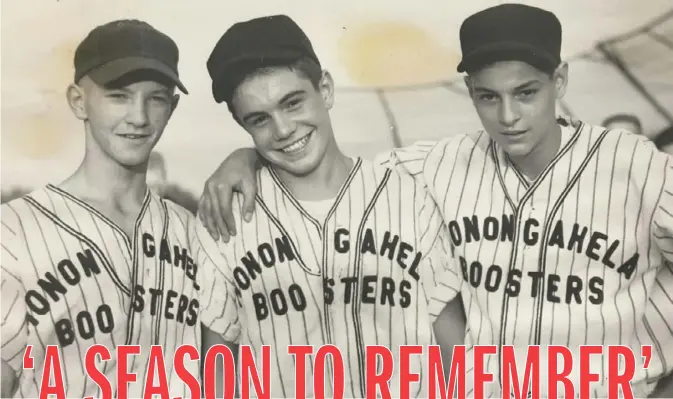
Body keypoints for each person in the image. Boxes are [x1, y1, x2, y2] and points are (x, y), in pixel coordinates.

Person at [197, 4, 673, 398]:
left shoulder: (641, 166)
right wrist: (245, 159)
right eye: (488, 97)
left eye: (526, 93)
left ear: (560, 81)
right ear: (471, 92)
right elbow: (337, 179)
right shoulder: (433, 168)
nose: (508, 116)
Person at [190, 14, 465, 398]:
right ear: (245, 127)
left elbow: (458, 356)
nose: (283, 129)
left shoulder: (409, 198)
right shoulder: (226, 216)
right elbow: (219, 370)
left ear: (326, 90)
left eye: (293, 103)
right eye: (260, 119)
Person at [1, 19, 201, 398]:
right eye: (118, 96)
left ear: (172, 107)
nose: (139, 117)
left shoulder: (193, 233)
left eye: (156, 97)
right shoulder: (11, 232)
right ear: (79, 101)